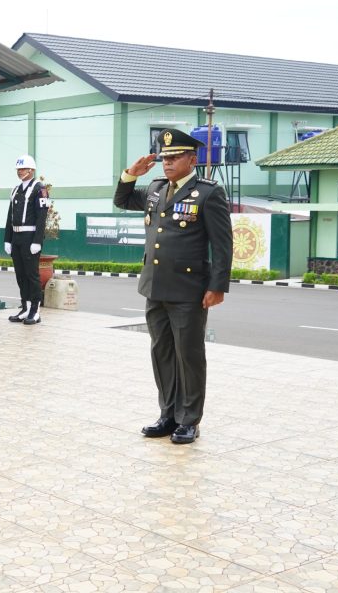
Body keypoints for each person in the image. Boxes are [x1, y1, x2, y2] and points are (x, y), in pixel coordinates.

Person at [114, 128, 233, 444]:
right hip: (155, 287)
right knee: (162, 353)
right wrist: (130, 174)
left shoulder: (207, 193)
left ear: (192, 160)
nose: (167, 162)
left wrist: (217, 286)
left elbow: (223, 245)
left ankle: (189, 420)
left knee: (188, 356)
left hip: (188, 290)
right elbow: (122, 200)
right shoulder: (155, 188)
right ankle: (168, 414)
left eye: (175, 157)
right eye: (165, 158)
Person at [4, 155, 48, 325]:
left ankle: (35, 310)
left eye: (23, 169)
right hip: (16, 237)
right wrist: (7, 239)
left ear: (31, 170)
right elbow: (10, 216)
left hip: (30, 237)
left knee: (31, 275)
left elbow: (42, 217)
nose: (20, 172)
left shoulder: (39, 189)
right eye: (18, 169)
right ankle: (25, 307)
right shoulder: (16, 190)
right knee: (20, 274)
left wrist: (37, 241)